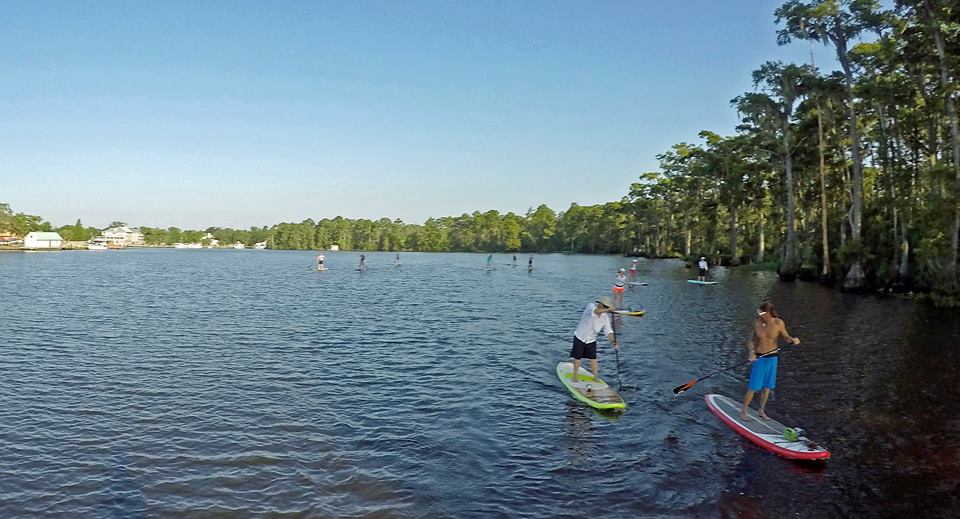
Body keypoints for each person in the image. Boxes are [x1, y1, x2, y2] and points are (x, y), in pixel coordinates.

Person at [740, 302, 801, 421]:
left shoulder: (778, 323)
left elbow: (786, 337)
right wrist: (751, 352)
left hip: (772, 358)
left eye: (761, 312)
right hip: (759, 358)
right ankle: (744, 411)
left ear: (768, 313)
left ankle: (761, 410)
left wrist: (793, 340)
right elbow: (750, 341)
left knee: (767, 387)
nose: (759, 314)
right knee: (753, 387)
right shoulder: (757, 323)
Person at [570, 296, 618, 386]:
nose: (604, 308)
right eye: (604, 306)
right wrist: (608, 310)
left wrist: (613, 341)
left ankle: (596, 376)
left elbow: (608, 331)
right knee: (577, 357)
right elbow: (596, 311)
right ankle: (575, 376)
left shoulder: (605, 317)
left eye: (606, 307)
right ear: (599, 304)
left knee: (593, 358)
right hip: (580, 336)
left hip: (591, 339)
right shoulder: (590, 307)